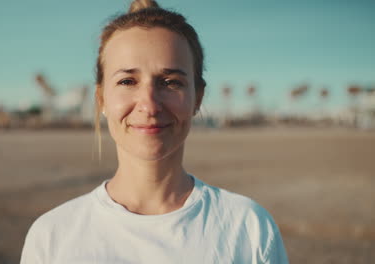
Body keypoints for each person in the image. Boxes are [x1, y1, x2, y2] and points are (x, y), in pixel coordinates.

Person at [20, 0, 289, 263]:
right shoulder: (53, 236)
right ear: (101, 98)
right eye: (127, 81)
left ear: (198, 98)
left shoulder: (248, 229)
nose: (149, 105)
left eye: (171, 82)